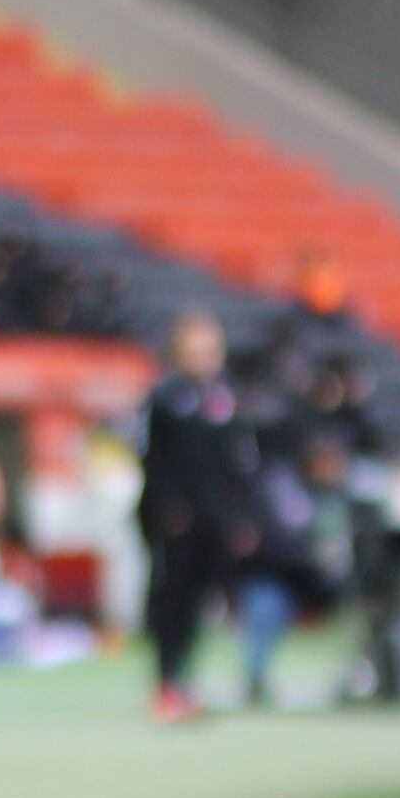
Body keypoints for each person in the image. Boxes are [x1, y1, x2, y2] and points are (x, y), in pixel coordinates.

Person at [133, 310, 268, 724]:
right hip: (177, 524)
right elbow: (153, 462)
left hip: (216, 520)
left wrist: (241, 516)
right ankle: (167, 680)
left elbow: (240, 464)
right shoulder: (164, 399)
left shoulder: (225, 398)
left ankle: (188, 679)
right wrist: (167, 509)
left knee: (205, 605)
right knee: (172, 602)